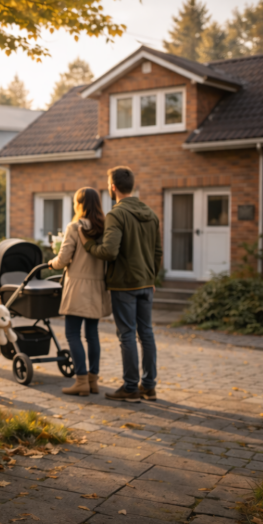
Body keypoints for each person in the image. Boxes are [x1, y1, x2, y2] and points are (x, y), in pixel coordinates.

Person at [78, 167, 163, 403]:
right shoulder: (152, 214)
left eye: (108, 183)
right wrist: (152, 278)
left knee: (127, 334)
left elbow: (109, 252)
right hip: (146, 284)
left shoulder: (116, 214)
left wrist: (86, 244)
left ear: (113, 186)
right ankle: (149, 386)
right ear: (132, 186)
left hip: (124, 285)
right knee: (146, 333)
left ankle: (130, 388)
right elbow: (157, 252)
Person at [48, 188, 111, 396]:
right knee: (92, 335)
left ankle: (81, 381)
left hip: (77, 287)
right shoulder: (105, 227)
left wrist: (52, 263)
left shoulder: (74, 227)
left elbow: (63, 258)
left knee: (72, 333)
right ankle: (93, 381)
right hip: (97, 287)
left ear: (79, 204)